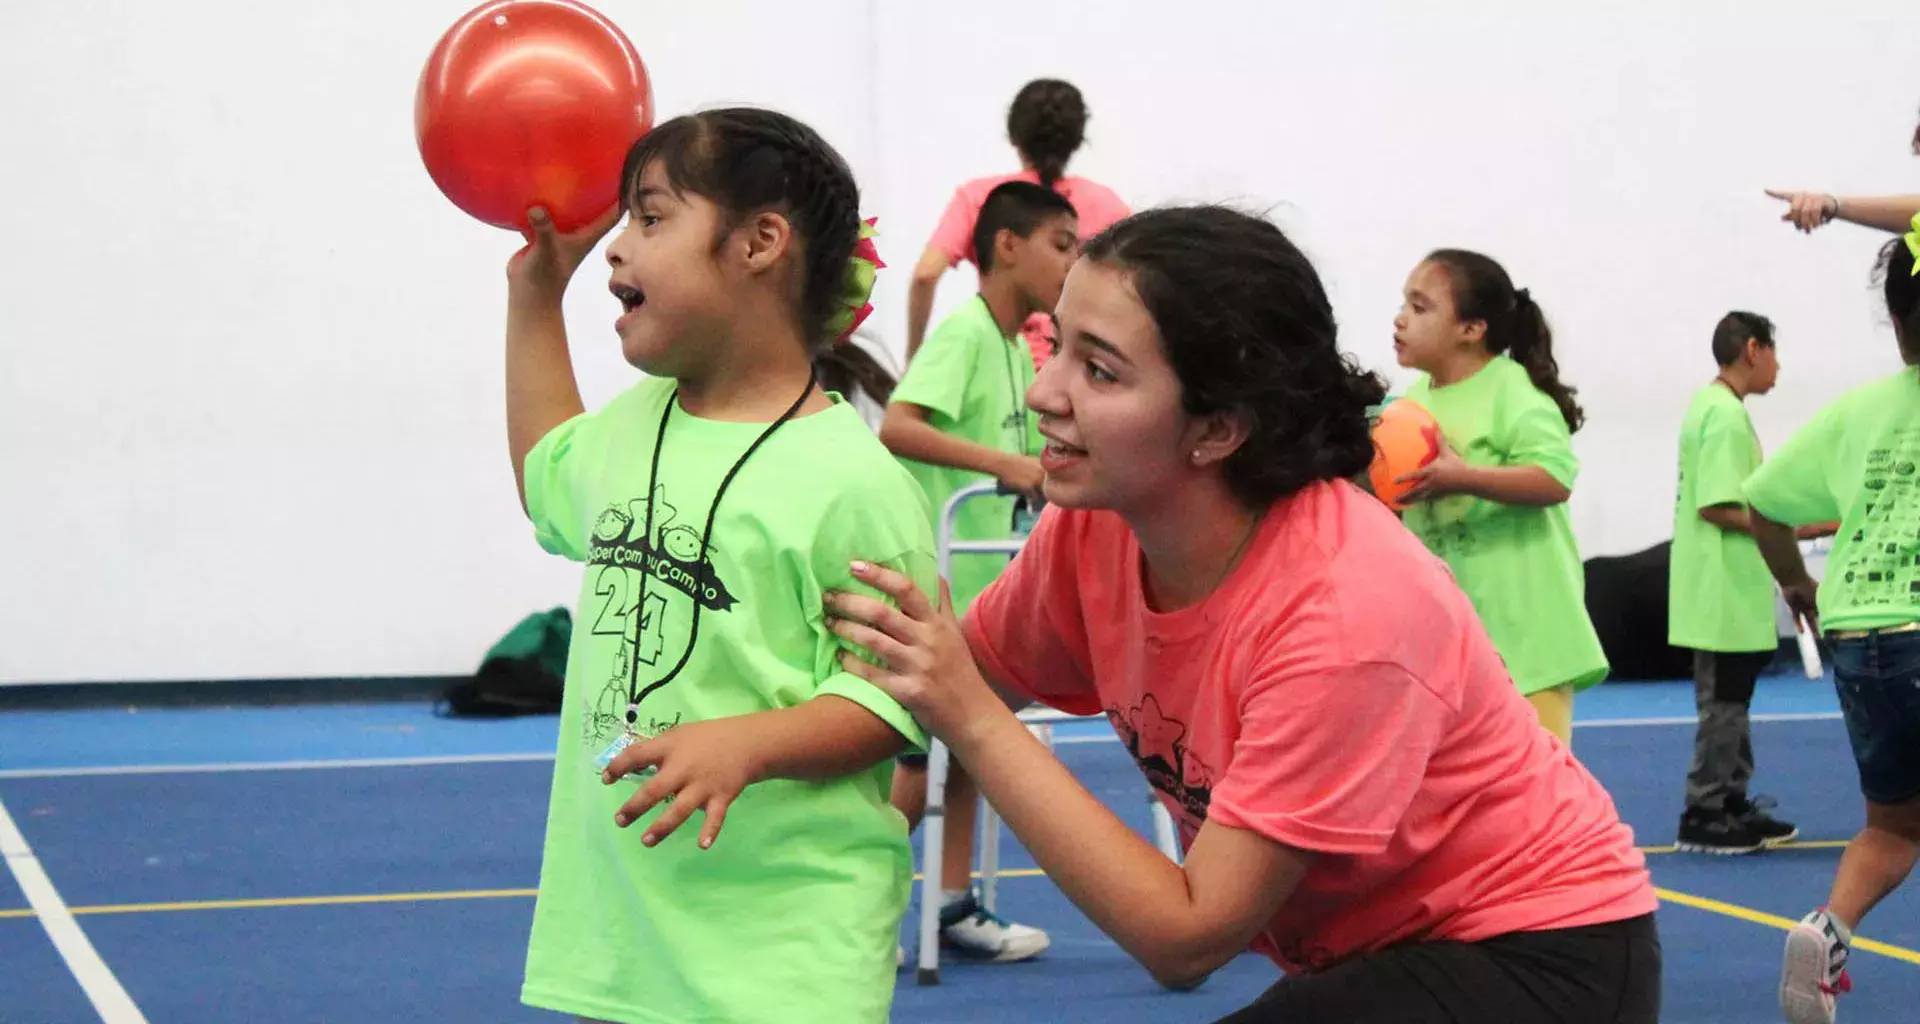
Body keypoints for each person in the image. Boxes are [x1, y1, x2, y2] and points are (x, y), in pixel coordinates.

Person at [826, 206, 1662, 1023]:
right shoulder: (1096, 528)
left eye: (1101, 370)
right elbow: (922, 699)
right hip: (1371, 952)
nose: (1045, 393)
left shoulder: (1346, 611)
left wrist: (969, 716)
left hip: (1538, 954)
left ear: (1218, 428)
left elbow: (1185, 937)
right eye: (1057, 347)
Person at [503, 107, 938, 1024]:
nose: (618, 249)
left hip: (783, 953)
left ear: (759, 244)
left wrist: (749, 743)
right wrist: (534, 302)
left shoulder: (853, 482)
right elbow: (548, 476)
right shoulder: (633, 424)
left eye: (650, 218)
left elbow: (893, 697)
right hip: (629, 938)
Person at [879, 180, 1078, 963]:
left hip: (990, 582)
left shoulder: (1014, 339)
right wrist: (1004, 463)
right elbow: (899, 424)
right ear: (1007, 247)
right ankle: (860, 904)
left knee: (962, 746)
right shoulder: (964, 333)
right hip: (939, 576)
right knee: (913, 759)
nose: (1071, 262)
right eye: (1060, 245)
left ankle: (954, 900)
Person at [1745, 218, 1920, 1024]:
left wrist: (1798, 590)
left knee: (1892, 825)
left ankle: (1828, 928)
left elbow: (1764, 501)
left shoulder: (1858, 412)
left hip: (1861, 632)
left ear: (1896, 322)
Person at [1389, 250, 1610, 745]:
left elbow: (1553, 479)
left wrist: (1462, 477)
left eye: (1420, 307)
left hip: (1526, 639)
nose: (1400, 318)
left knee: (1536, 798)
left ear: (1472, 330)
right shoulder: (1409, 405)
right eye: (1403, 303)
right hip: (1451, 643)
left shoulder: (1515, 393)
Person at [1669, 312, 1805, 854]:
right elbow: (1719, 505)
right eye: (1773, 351)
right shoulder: (1724, 416)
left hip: (1722, 584)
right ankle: (1705, 809)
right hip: (1722, 585)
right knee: (1723, 705)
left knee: (1732, 701)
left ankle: (1729, 800)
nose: (1777, 365)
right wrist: (1790, 527)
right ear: (1753, 349)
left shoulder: (1711, 406)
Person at [907, 78, 1130, 369]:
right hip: (1072, 368)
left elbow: (926, 274)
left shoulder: (984, 197)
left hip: (996, 363)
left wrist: (913, 357)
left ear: (1014, 136)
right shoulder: (1108, 205)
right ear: (1076, 141)